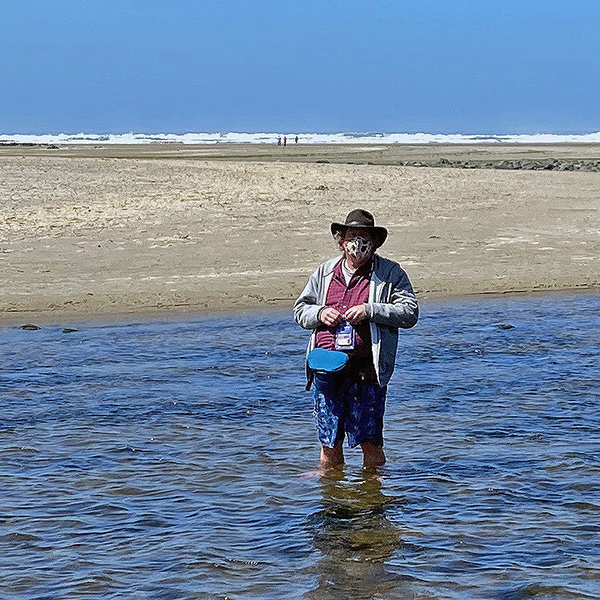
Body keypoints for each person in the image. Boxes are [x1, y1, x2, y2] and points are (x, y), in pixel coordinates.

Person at [294, 209, 418, 468]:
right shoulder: (325, 272)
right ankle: (330, 494)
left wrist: (370, 310)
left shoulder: (390, 273)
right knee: (329, 441)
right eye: (352, 235)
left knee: (370, 441)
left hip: (367, 373)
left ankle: (373, 499)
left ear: (373, 241)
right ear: (341, 240)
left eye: (364, 236)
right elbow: (300, 311)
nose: (358, 242)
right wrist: (319, 312)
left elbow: (409, 312)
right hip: (326, 370)